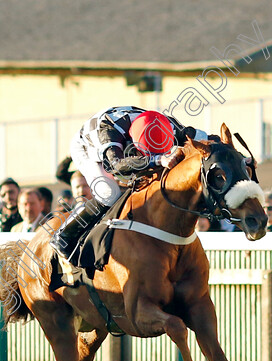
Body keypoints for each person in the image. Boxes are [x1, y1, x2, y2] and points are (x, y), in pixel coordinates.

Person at [50, 107, 204, 265]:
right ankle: (64, 236)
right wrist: (158, 160)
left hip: (121, 144)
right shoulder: (109, 130)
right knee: (108, 192)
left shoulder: (169, 126)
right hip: (87, 148)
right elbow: (115, 165)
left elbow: (204, 138)